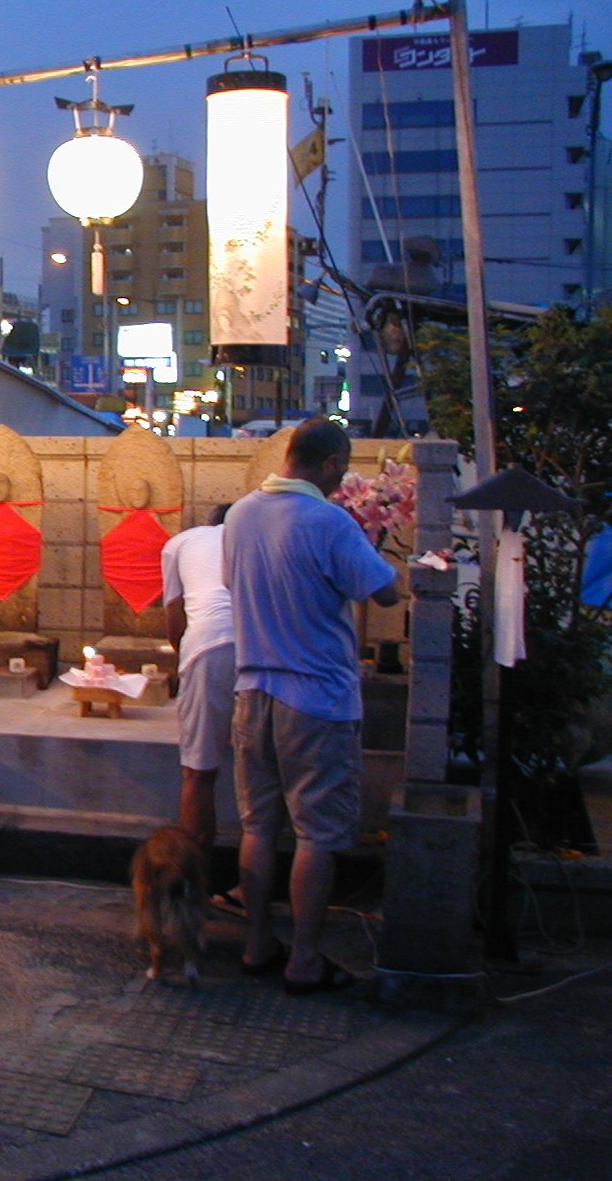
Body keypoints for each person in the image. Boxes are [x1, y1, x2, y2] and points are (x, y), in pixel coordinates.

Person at [223, 418, 400, 995]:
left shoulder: (240, 514)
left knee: (257, 825)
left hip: (252, 693)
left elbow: (235, 584)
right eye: (342, 468)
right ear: (329, 465)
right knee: (315, 834)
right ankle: (303, 958)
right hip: (317, 700)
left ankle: (256, 943)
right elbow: (385, 591)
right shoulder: (330, 521)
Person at [161, 504, 235, 859]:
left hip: (208, 647)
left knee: (199, 772)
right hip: (264, 649)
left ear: (210, 522)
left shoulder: (182, 541)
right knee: (264, 773)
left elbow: (175, 617)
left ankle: (192, 877)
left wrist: (184, 659)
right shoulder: (260, 537)